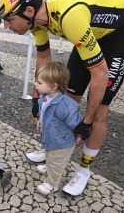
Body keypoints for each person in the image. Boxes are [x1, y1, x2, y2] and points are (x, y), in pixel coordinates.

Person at [0, 0, 124, 196]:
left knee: (98, 114)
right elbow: (43, 58)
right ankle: (56, 149)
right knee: (67, 101)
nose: (6, 26)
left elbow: (100, 73)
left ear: (28, 11)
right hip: (89, 32)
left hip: (118, 33)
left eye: (8, 19)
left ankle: (83, 171)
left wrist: (86, 122)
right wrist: (37, 99)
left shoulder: (69, 17)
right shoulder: (36, 17)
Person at [34, 61, 81, 195]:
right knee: (49, 154)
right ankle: (49, 166)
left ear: (54, 86)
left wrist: (79, 135)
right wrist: (40, 121)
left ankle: (52, 184)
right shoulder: (44, 96)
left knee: (56, 163)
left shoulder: (66, 106)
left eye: (39, 82)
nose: (35, 84)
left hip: (62, 142)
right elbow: (44, 112)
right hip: (50, 138)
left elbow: (76, 123)